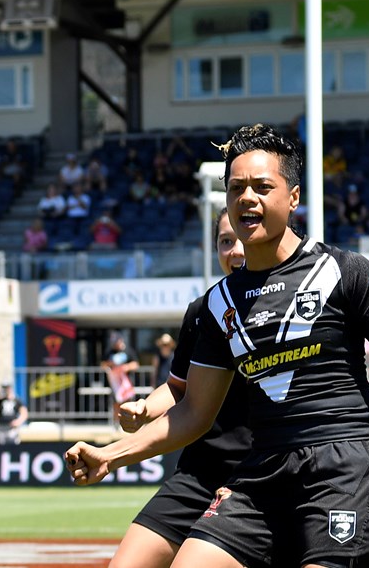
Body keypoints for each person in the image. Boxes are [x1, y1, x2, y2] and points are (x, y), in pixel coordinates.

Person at [65, 123, 369, 568]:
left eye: (263, 187)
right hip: (262, 469)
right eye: (237, 188)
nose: (247, 197)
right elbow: (193, 413)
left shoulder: (346, 271)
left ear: (293, 197)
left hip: (344, 459)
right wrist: (110, 455)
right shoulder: (217, 305)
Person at [106, 212, 250, 568]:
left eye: (242, 238)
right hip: (199, 471)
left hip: (258, 473)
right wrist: (144, 407)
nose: (235, 250)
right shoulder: (202, 311)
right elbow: (177, 387)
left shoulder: (288, 308)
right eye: (225, 241)